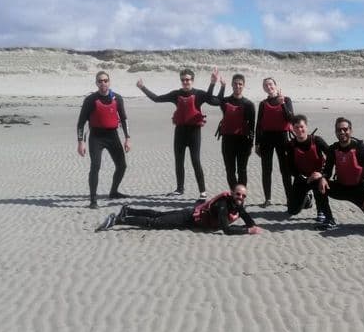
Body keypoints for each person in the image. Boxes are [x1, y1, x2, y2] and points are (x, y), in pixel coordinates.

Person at [136, 67, 220, 199]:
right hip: (180, 132)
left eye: (187, 80)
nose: (185, 82)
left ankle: (202, 191)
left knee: (195, 161)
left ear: (192, 80)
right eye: (183, 80)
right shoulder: (176, 94)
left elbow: (210, 99)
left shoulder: (199, 94)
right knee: (179, 161)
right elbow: (156, 99)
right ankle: (179, 188)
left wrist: (213, 83)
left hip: (194, 132)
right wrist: (142, 87)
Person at [95, 185, 263, 235]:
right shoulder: (223, 206)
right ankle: (119, 219)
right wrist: (248, 231)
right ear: (232, 193)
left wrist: (251, 225)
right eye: (238, 194)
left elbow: (248, 219)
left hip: (191, 213)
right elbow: (226, 229)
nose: (240, 198)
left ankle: (128, 209)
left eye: (243, 196)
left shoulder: (238, 205)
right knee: (155, 222)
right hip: (189, 217)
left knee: (159, 214)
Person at [77, 71, 131, 209]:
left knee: (122, 166)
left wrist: (127, 138)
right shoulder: (90, 100)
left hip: (113, 136)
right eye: (100, 81)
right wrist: (80, 142)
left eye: (105, 80)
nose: (103, 83)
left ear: (109, 82)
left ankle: (113, 192)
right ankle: (93, 200)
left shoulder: (117, 98)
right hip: (96, 137)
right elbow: (81, 122)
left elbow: (124, 119)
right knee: (95, 166)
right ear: (96, 83)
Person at [284, 114, 333, 224]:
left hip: (318, 176)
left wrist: (323, 174)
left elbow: (331, 156)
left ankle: (321, 210)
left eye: (302, 126)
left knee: (319, 185)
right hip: (302, 178)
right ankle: (307, 199)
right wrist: (302, 177)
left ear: (306, 127)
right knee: (292, 210)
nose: (299, 130)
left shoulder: (317, 141)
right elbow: (290, 166)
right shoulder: (290, 145)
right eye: (296, 127)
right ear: (292, 128)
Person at [255, 77, 294, 207]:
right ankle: (268, 199)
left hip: (282, 138)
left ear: (275, 85)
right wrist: (257, 143)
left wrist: (282, 104)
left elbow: (291, 118)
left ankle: (290, 199)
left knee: (285, 169)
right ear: (264, 88)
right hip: (266, 138)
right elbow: (259, 124)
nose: (269, 87)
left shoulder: (286, 100)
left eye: (271, 84)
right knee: (266, 169)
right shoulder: (263, 103)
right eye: (266, 85)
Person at [215, 73, 256, 189]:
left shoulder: (249, 104)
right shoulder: (225, 101)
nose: (237, 86)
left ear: (244, 86)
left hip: (243, 141)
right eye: (235, 84)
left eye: (240, 84)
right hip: (227, 140)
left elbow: (252, 127)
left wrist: (250, 145)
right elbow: (217, 100)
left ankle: (241, 196)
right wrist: (222, 87)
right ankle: (234, 194)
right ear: (232, 85)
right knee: (230, 170)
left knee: (242, 170)